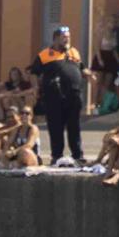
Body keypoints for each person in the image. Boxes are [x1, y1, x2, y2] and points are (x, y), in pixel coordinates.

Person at [33, 27, 85, 164]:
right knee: (56, 127)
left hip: (74, 96)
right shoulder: (45, 54)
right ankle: (57, 155)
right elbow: (33, 72)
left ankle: (77, 155)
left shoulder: (74, 52)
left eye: (68, 36)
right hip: (54, 97)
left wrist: (89, 74)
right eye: (64, 37)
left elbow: (82, 68)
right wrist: (36, 88)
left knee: (74, 127)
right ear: (55, 39)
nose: (67, 39)